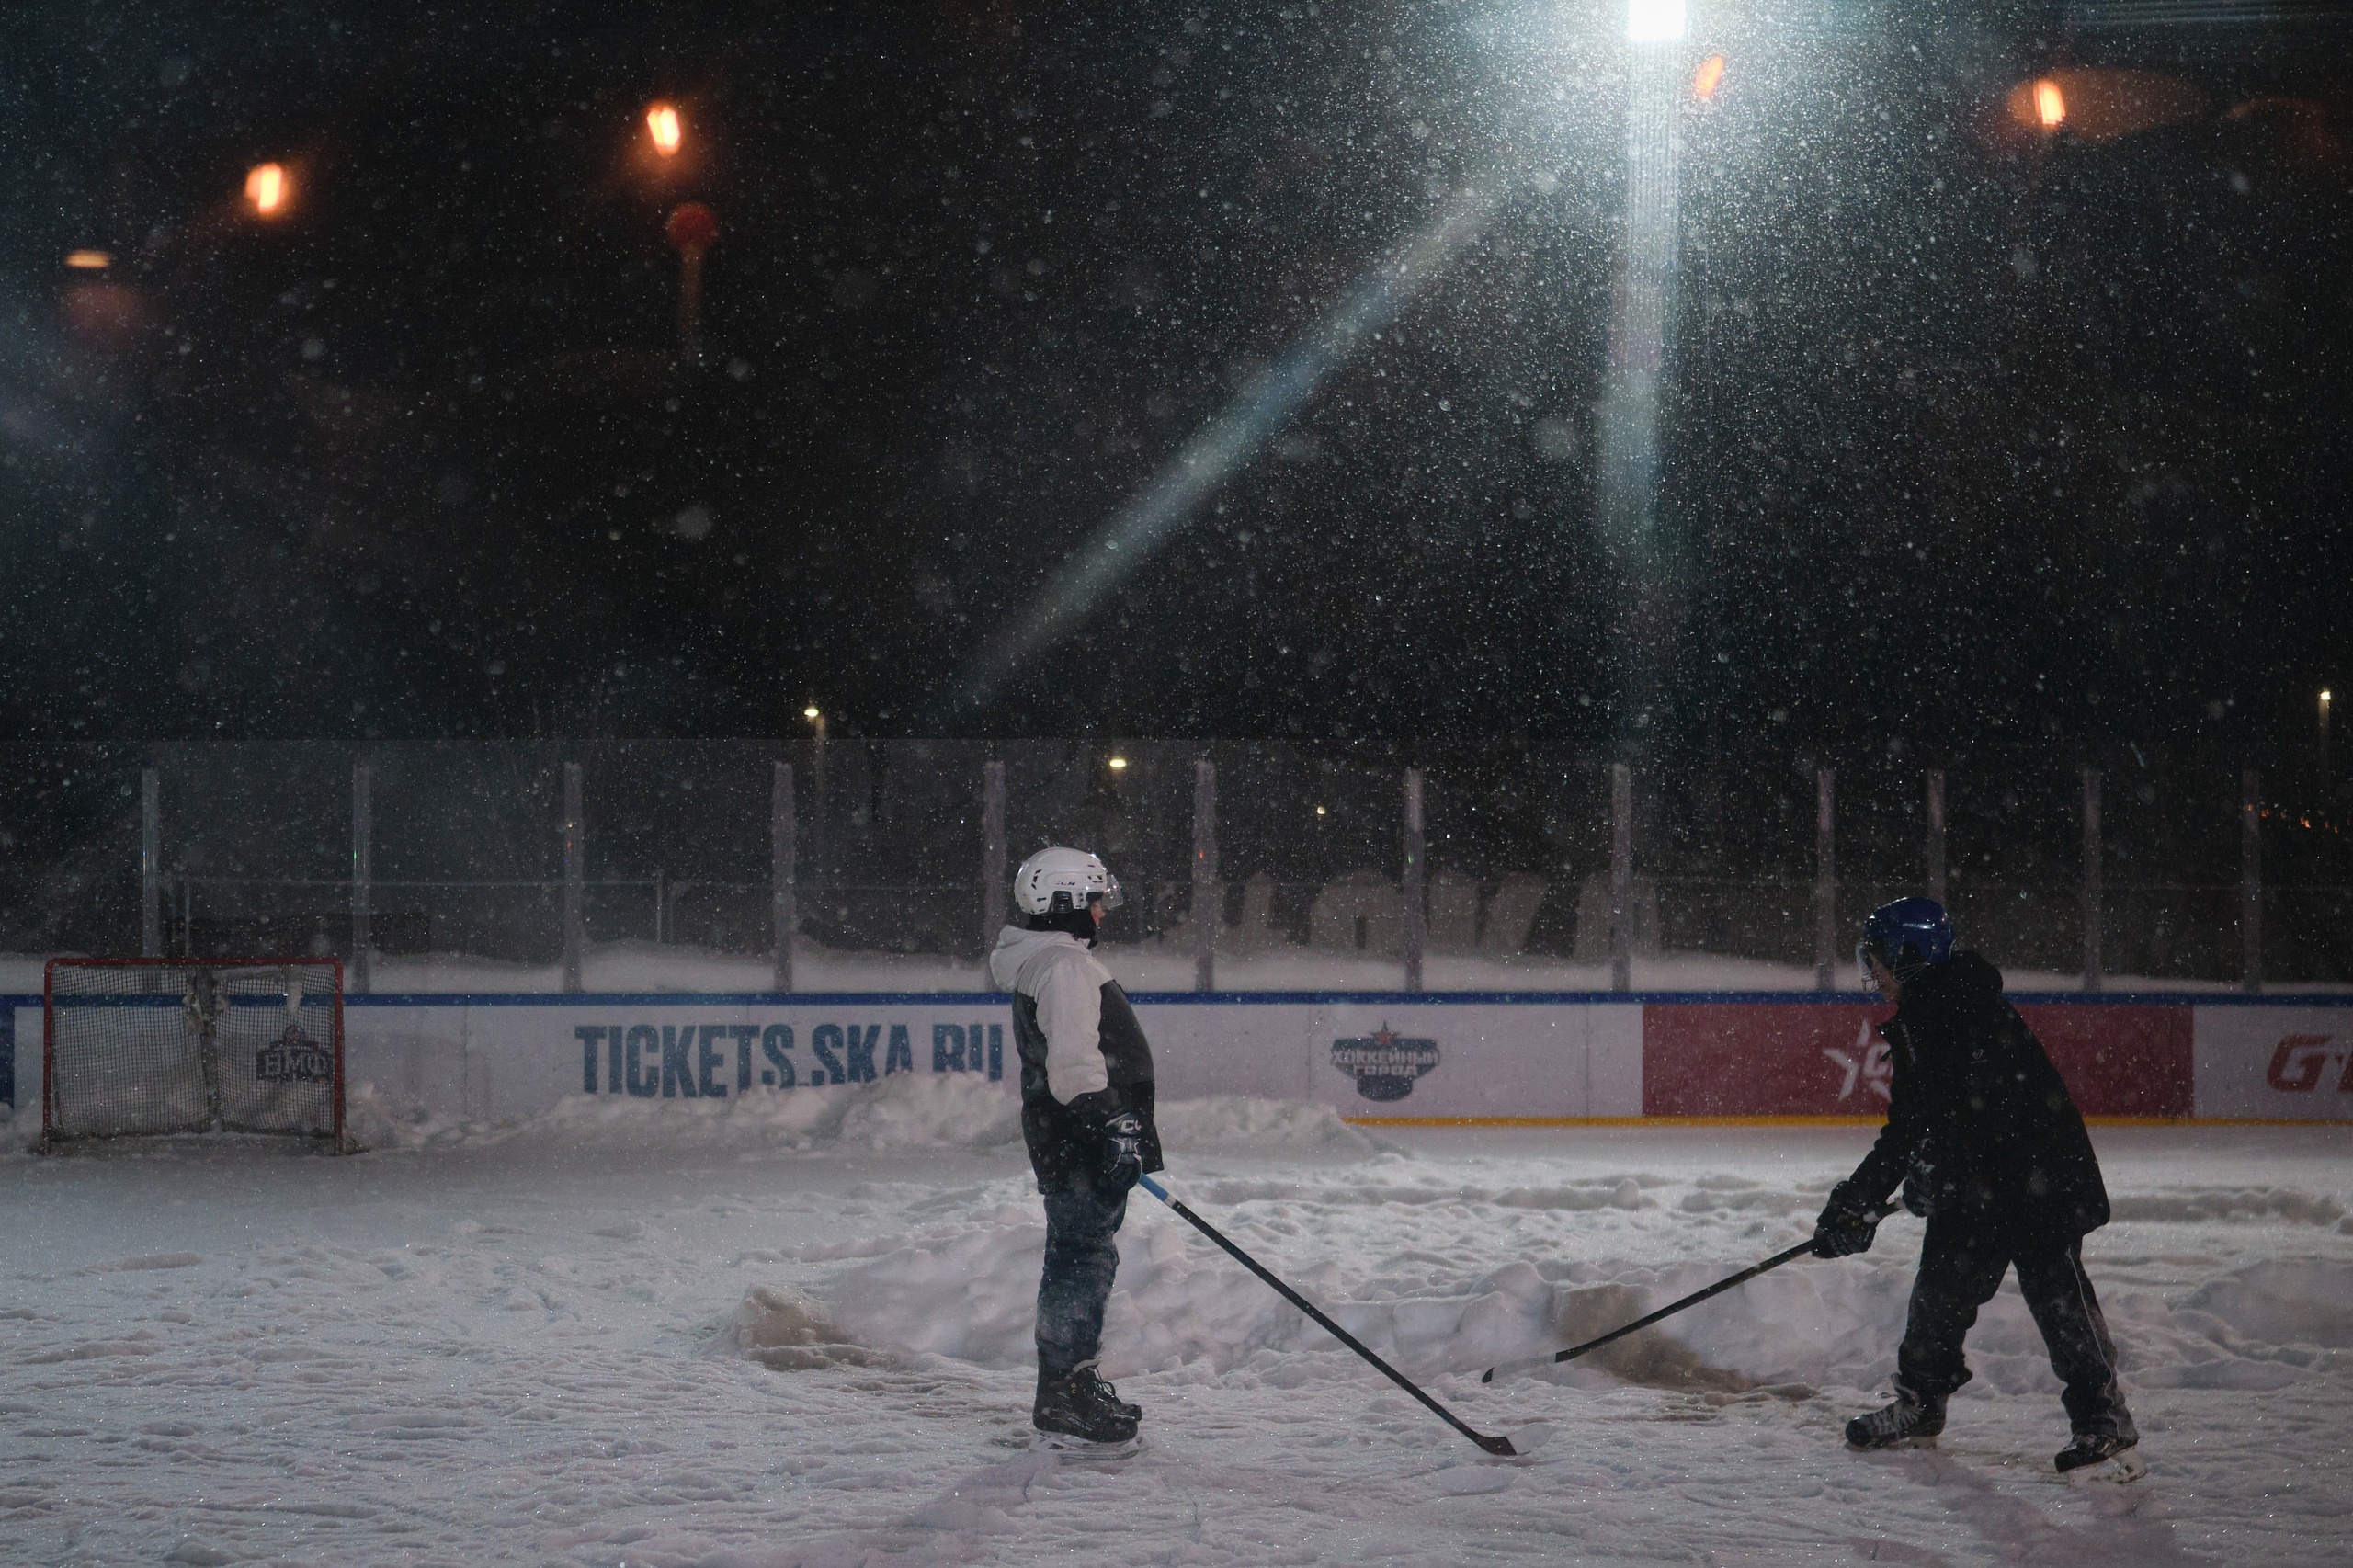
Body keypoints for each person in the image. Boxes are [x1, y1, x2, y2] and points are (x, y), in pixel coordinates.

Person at [1813, 896, 2143, 1480]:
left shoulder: (1967, 1010)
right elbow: (1909, 1128)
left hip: (2037, 1182)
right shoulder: (1918, 1019)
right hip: (1978, 1189)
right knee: (1937, 1294)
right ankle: (1920, 1405)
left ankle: (2103, 1419)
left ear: (1913, 956)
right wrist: (1855, 1203)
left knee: (2059, 1299)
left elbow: (1994, 1109)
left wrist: (1938, 1167)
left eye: (1880, 958)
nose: (1873, 971)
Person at [988, 846, 1164, 1447]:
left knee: (1082, 1255)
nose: (1100, 912)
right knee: (1081, 1259)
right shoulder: (1063, 967)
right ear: (1062, 901)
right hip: (1079, 1138)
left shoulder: (1052, 962)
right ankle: (1065, 1391)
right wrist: (1115, 1128)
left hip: (1071, 1136)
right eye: (1093, 900)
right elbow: (1073, 1070)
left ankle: (1069, 1383)